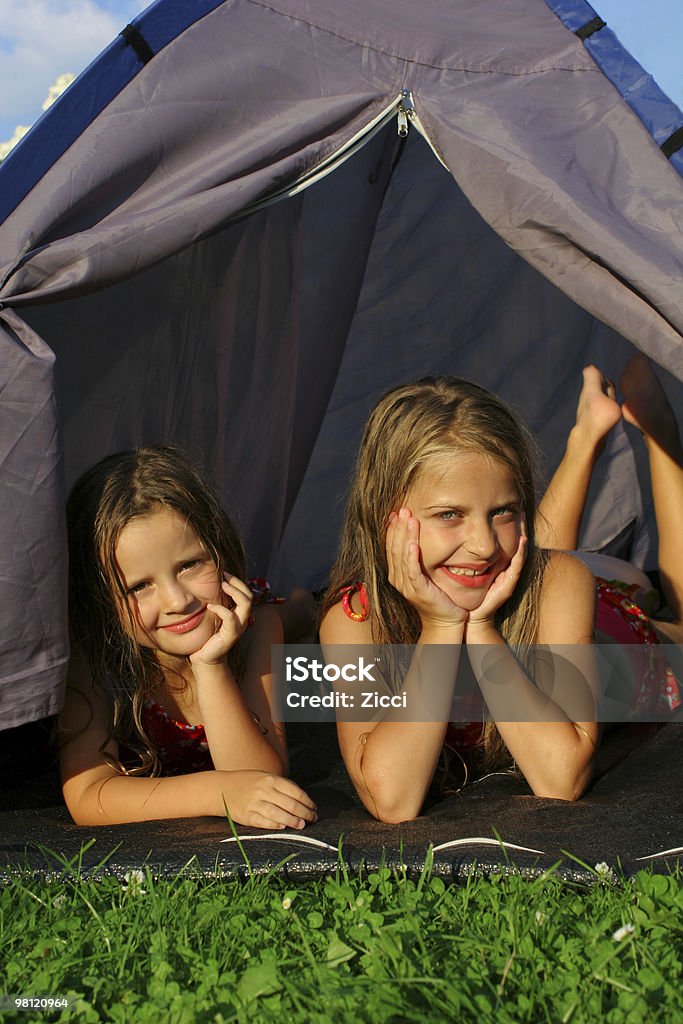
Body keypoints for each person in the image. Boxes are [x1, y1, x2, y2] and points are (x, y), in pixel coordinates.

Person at [319, 354, 681, 823]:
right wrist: (442, 628)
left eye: (505, 511)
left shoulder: (561, 583)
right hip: (526, 587)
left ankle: (658, 435)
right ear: (386, 517)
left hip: (619, 630)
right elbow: (391, 799)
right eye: (449, 514)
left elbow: (560, 778)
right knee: (515, 563)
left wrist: (483, 630)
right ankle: (588, 433)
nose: (483, 543)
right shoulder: (354, 622)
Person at [59, 445, 317, 829]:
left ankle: (305, 606)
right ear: (98, 600)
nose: (177, 600)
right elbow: (87, 795)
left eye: (190, 564)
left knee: (294, 615)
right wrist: (220, 793)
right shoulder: (92, 657)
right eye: (138, 587)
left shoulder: (256, 630)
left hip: (260, 614)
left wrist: (210, 666)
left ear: (220, 549)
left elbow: (264, 778)